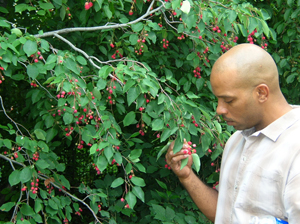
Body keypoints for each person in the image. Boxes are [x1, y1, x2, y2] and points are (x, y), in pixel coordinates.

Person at [165, 43, 300, 223]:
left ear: (261, 93)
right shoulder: (237, 140)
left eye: (228, 100)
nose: (219, 110)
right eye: (218, 100)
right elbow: (226, 214)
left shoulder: (295, 148)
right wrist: (187, 176)